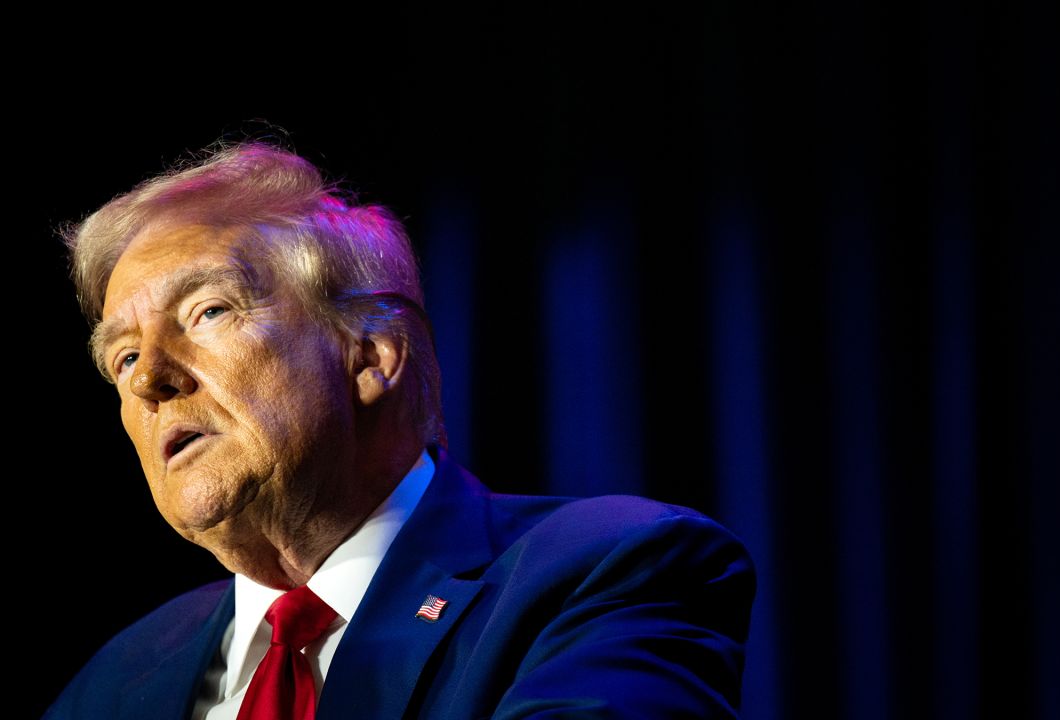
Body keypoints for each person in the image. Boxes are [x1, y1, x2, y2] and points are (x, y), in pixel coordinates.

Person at [45, 142, 755, 719]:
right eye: (125, 355)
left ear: (370, 355)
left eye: (207, 312)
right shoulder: (114, 684)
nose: (148, 380)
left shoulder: (603, 574)